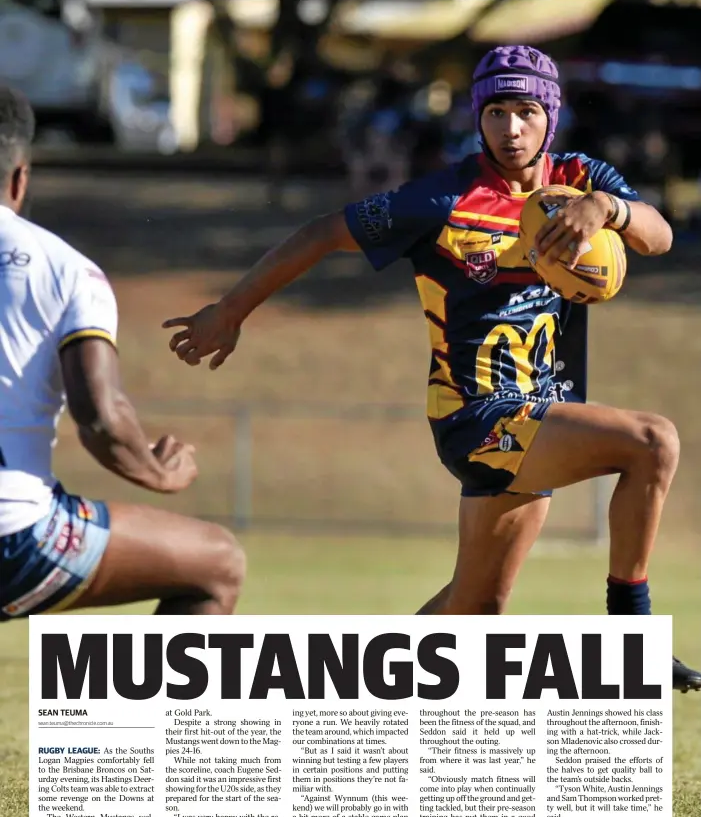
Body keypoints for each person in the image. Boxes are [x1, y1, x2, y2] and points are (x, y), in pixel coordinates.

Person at [163, 46, 700, 692]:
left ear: (548, 117)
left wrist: (604, 209)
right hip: (475, 417)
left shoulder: (582, 177)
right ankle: (630, 635)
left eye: (525, 111)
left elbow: (658, 234)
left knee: (474, 609)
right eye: (495, 111)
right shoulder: (442, 197)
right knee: (652, 442)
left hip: (539, 415)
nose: (509, 128)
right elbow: (320, 233)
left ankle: (350, 714)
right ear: (477, 117)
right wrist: (230, 309)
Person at [0, 85, 246, 621]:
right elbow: (100, 416)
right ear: (20, 176)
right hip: (12, 536)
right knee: (218, 564)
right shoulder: (65, 269)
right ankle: (150, 711)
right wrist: (161, 474)